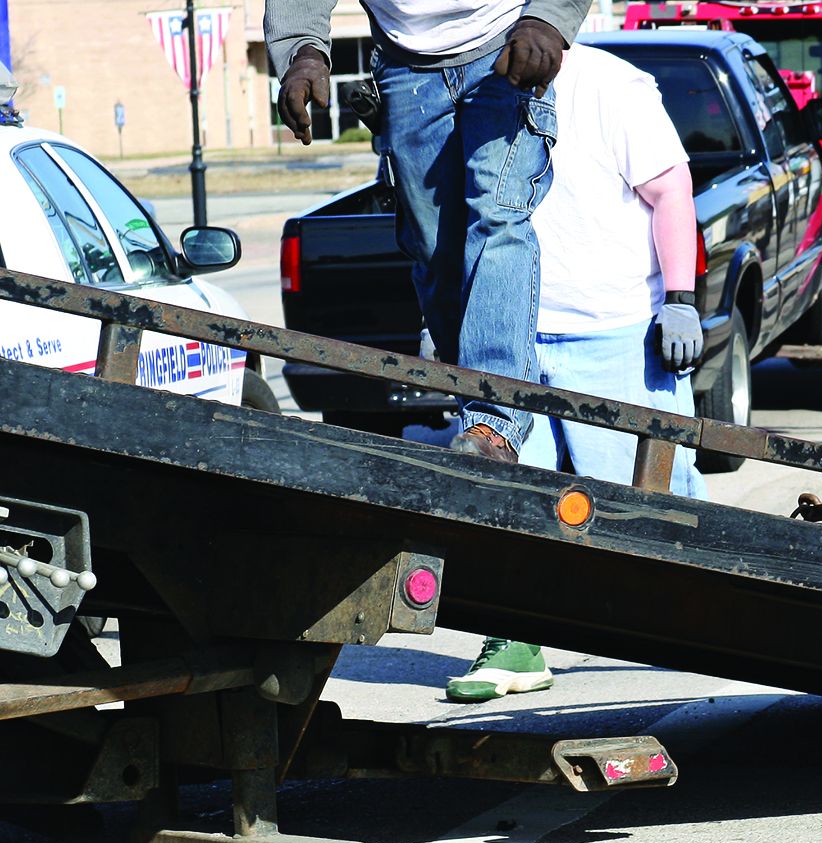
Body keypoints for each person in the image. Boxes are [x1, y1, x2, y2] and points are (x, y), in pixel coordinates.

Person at [445, 41, 707, 704]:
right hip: (515, 340)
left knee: (650, 507)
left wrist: (680, 301)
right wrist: (446, 313)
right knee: (507, 496)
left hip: (615, 333)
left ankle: (714, 612)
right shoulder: (475, 85)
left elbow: (670, 189)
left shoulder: (614, 85)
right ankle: (512, 641)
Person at [268, 0, 592, 464]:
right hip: (406, 63)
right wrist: (303, 51)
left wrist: (549, 18)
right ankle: (472, 397)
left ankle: (495, 420)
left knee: (498, 217)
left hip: (505, 47)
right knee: (436, 249)